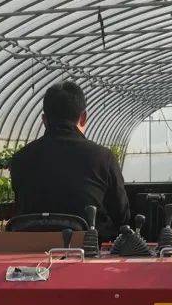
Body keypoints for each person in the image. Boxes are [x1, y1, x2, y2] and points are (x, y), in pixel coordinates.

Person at [9, 80, 131, 240]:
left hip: (30, 254)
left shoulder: (20, 159)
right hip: (91, 252)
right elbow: (122, 217)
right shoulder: (102, 158)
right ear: (83, 117)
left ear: (44, 119)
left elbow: (22, 208)